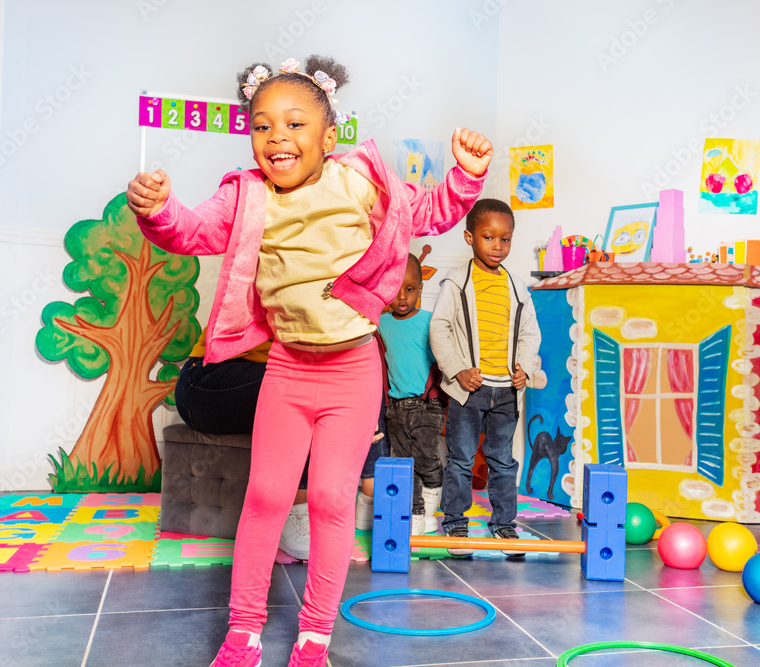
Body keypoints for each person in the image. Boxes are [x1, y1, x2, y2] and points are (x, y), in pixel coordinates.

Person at [127, 55, 490, 667]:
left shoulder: (359, 183)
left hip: (351, 373)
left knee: (328, 499)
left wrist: (466, 175)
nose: (278, 137)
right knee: (266, 495)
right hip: (288, 371)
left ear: (328, 135)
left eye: (295, 124)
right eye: (263, 125)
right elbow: (191, 232)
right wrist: (159, 210)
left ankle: (315, 634)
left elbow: (424, 214)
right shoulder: (245, 196)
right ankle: (243, 631)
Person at [429, 199, 541, 557]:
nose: (497, 246)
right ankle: (455, 523)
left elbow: (529, 333)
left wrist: (524, 365)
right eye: (488, 237)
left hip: (506, 390)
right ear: (469, 237)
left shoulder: (517, 288)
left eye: (505, 239)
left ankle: (504, 524)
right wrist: (458, 369)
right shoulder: (456, 283)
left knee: (502, 459)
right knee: (461, 458)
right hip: (469, 389)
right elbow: (440, 328)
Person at [173, 328, 312, 561]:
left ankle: (342, 503)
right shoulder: (262, 292)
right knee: (299, 383)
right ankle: (294, 511)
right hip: (204, 381)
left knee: (315, 385)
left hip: (254, 386)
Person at [376, 255, 445, 535]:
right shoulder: (381, 323)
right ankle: (415, 513)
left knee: (426, 457)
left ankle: (431, 496)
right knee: (404, 461)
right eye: (396, 289)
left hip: (428, 404)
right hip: (395, 407)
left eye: (410, 289)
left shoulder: (431, 322)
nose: (402, 297)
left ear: (421, 289)